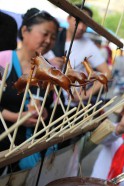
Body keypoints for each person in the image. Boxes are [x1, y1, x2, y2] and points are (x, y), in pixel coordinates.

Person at [0, 8, 58, 172]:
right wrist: (15, 117)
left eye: (53, 37)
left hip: (28, 152)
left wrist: (44, 112)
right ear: (25, 31)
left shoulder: (48, 71)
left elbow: (48, 104)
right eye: (45, 34)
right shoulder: (2, 60)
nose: (48, 41)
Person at [50, 4, 112, 103]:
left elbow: (106, 73)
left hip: (69, 104)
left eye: (85, 23)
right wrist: (49, 62)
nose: (81, 27)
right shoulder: (53, 37)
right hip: (46, 99)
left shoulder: (89, 46)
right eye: (78, 21)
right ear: (68, 18)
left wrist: (85, 95)